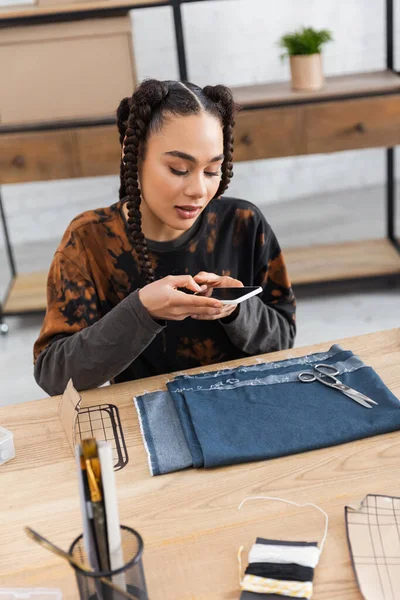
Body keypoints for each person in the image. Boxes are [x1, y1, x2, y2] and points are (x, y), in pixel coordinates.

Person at [33, 79, 296, 396]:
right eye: (178, 168)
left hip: (243, 407)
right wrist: (142, 310)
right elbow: (53, 375)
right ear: (134, 153)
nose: (198, 190)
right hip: (145, 423)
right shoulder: (88, 241)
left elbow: (283, 339)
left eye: (212, 170)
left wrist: (238, 311)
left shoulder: (243, 223)